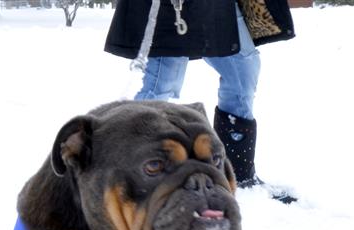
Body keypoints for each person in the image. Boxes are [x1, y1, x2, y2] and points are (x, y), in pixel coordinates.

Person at [104, 0, 297, 203]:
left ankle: (238, 175)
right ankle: (132, 181)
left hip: (217, 6)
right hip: (170, 6)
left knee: (243, 71)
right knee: (162, 83)